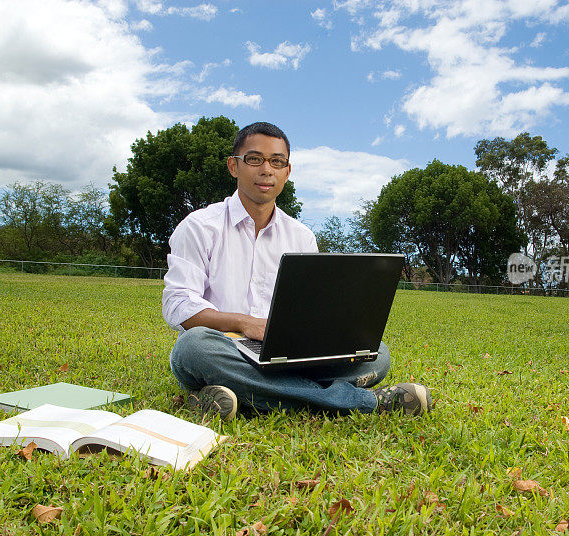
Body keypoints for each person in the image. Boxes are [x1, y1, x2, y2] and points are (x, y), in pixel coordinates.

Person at [162, 121, 431, 420]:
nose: (267, 170)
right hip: (226, 348)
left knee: (377, 353)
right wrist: (245, 323)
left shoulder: (301, 236)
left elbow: (312, 309)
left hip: (288, 355)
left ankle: (240, 395)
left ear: (287, 172)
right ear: (233, 166)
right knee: (192, 348)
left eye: (277, 162)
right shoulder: (199, 226)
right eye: (255, 159)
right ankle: (366, 403)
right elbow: (178, 304)